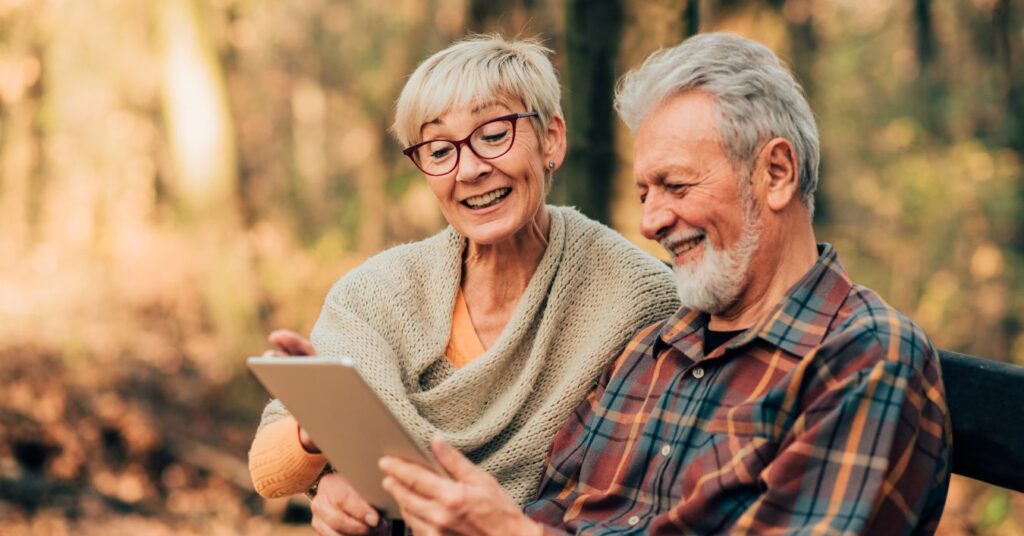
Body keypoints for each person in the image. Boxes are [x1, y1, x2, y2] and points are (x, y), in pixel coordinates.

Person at [376, 32, 953, 535]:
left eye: (675, 186)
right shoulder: (651, 350)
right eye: (644, 194)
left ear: (775, 174)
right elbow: (548, 508)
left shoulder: (863, 357)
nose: (650, 222)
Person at [246, 35, 680, 534]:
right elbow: (268, 469)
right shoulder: (377, 292)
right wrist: (325, 450)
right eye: (438, 149)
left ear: (552, 139)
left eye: (494, 135)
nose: (470, 169)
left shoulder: (637, 295)